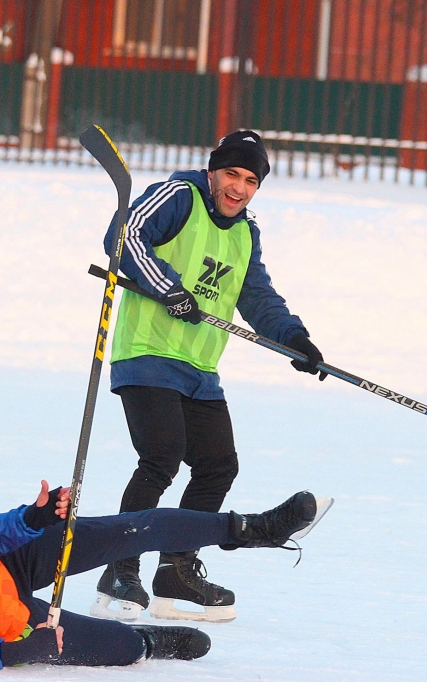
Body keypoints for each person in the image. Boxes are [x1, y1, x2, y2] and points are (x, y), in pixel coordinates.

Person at [95, 130, 329, 624]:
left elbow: (258, 295)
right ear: (212, 171)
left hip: (200, 368)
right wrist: (168, 288)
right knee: (161, 458)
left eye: (250, 180)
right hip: (147, 354)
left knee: (218, 465)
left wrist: (295, 339)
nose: (239, 188)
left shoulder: (246, 232)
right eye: (231, 174)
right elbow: (124, 235)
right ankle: (119, 569)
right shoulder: (180, 196)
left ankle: (175, 570)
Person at [0, 478, 330, 669]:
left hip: (4, 569)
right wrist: (18, 653)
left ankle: (255, 529)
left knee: (129, 529)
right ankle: (150, 641)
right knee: (113, 645)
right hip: (6, 621)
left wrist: (31, 520)